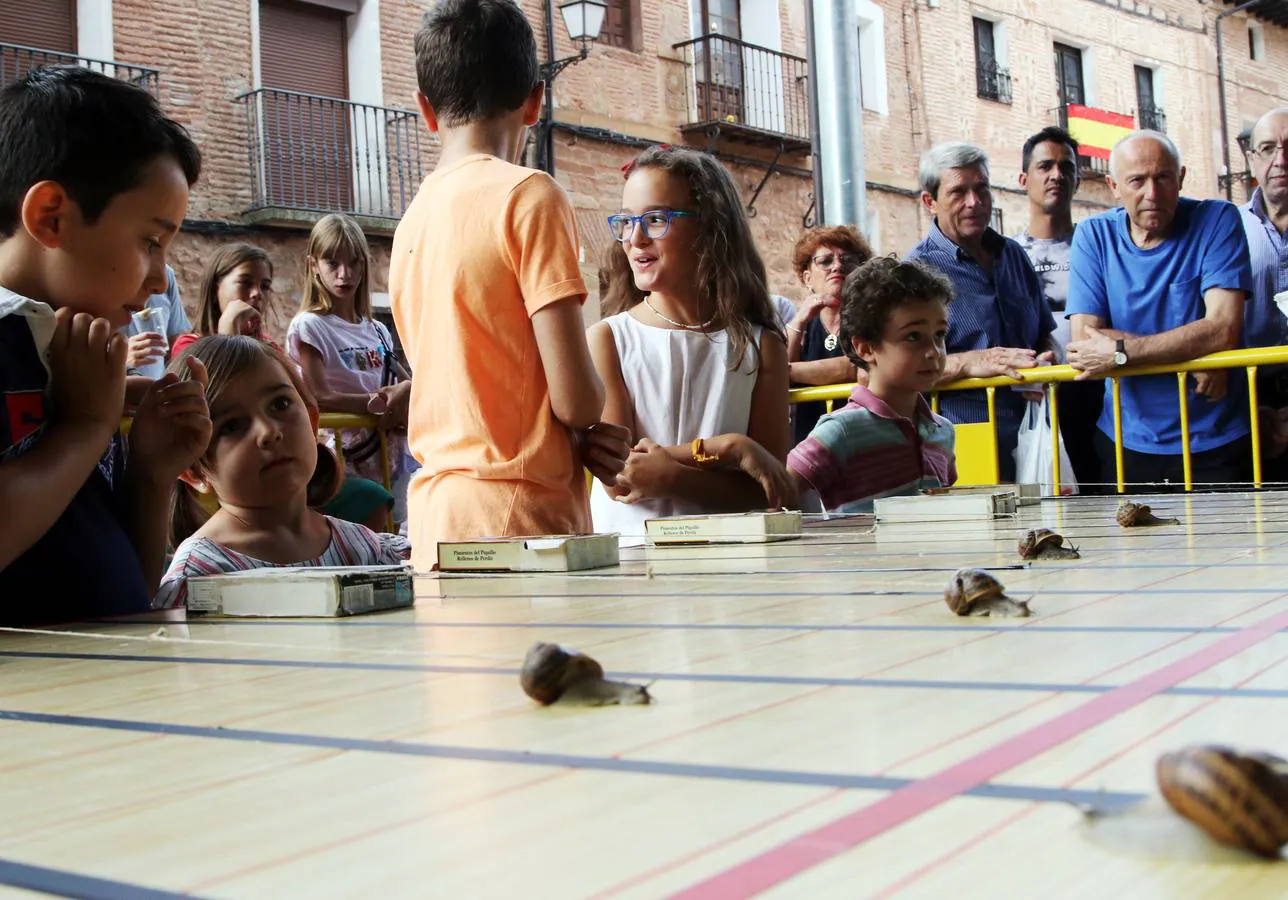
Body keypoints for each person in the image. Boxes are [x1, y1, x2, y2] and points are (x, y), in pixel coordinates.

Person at [392, 0, 630, 569]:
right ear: (534, 100)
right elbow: (576, 399)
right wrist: (594, 417)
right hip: (521, 517)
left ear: (427, 110)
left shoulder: (410, 223)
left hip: (436, 521)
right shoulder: (530, 195)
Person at [0, 67, 208, 623]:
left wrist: (150, 472)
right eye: (150, 241)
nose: (161, 279)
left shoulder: (74, 354)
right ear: (52, 216)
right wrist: (85, 428)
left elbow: (125, 588)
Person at [588, 145, 789, 535]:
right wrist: (729, 448)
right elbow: (621, 476)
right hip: (631, 557)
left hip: (729, 559)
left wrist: (673, 476)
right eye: (627, 222)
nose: (636, 238)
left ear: (711, 228)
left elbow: (768, 491)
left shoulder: (761, 346)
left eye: (657, 219)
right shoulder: (609, 339)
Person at [156, 336, 408, 609]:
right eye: (231, 426)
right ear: (193, 471)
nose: (269, 432)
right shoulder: (198, 578)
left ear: (313, 423)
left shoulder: (365, 550)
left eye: (280, 404)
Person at [1067, 130, 1252, 489]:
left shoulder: (1217, 219)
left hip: (1216, 440)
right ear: (1114, 186)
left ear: (1180, 178)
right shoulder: (1093, 235)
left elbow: (1222, 328)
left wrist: (1120, 353)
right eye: (1137, 180)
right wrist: (1193, 357)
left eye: (1163, 177)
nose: (1152, 193)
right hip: (1126, 439)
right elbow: (1084, 340)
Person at [906, 141, 1056, 481]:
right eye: (959, 192)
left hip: (1035, 436)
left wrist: (1046, 359)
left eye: (982, 188)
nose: (974, 202)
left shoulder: (1013, 253)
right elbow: (900, 368)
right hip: (962, 444)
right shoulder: (916, 270)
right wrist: (973, 361)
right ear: (930, 202)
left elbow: (1043, 333)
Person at [784, 257, 956, 513]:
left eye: (939, 335)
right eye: (913, 336)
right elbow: (779, 493)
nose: (933, 351)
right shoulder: (840, 431)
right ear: (864, 347)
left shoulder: (943, 431)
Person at [289, 213, 412, 531]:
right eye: (333, 263)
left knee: (395, 537)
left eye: (354, 263)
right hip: (343, 457)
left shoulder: (378, 330)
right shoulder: (310, 325)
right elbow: (317, 395)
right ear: (313, 265)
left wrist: (404, 393)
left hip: (389, 453)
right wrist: (375, 403)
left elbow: (403, 379)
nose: (345, 274)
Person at [1014, 126, 1103, 487]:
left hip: (1096, 391)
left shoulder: (1096, 243)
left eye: (1067, 167)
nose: (1056, 175)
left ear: (1078, 179)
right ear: (1024, 178)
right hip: (1034, 395)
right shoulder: (1008, 253)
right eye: (1045, 166)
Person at [785, 225, 874, 446]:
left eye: (847, 260)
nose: (837, 266)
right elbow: (776, 374)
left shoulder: (871, 316)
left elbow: (859, 364)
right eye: (825, 261)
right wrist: (798, 321)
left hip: (862, 440)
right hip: (810, 443)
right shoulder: (804, 324)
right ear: (807, 278)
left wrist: (791, 372)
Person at [172, 243, 277, 357]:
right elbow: (225, 372)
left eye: (265, 286)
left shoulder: (269, 348)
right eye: (245, 282)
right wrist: (229, 327)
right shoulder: (190, 347)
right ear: (214, 289)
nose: (257, 293)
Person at [120, 264, 191, 380]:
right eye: (151, 246)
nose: (161, 285)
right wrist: (120, 361)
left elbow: (176, 343)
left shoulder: (166, 275)